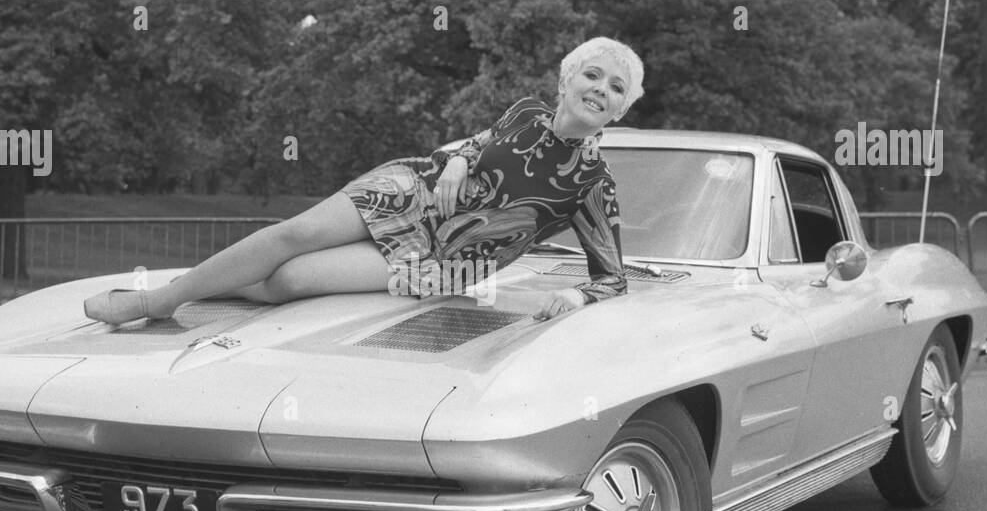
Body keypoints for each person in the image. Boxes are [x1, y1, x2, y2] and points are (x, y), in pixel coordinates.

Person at [82, 36, 644, 326]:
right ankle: (160, 302)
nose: (600, 88)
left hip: (444, 261)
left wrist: (573, 294)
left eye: (616, 88)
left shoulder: (594, 183)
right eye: (592, 74)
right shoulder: (524, 110)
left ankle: (197, 284)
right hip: (411, 189)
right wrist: (457, 161)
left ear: (619, 111)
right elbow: (482, 143)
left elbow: (613, 278)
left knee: (290, 281)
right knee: (292, 235)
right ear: (567, 80)